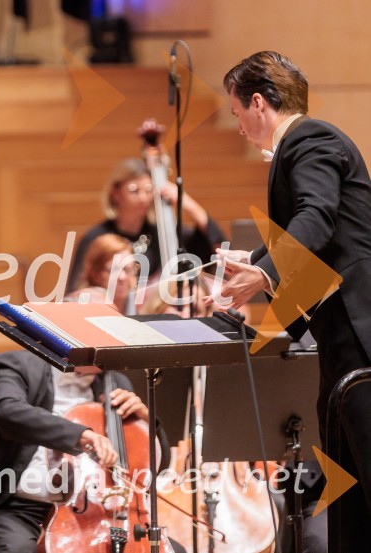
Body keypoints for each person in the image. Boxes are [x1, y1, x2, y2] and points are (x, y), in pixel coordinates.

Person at [214, 50, 371, 553]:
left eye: (237, 112)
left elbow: (316, 216)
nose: (238, 126)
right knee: (349, 497)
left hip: (360, 336)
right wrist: (256, 259)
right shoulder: (303, 145)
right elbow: (323, 238)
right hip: (341, 340)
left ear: (259, 102)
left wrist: (264, 272)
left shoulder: (310, 137)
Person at [0, 347, 180, 553]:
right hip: (17, 507)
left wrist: (145, 420)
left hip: (93, 510)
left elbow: (153, 465)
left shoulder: (115, 382)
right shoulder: (20, 364)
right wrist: (80, 435)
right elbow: (5, 409)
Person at [69, 158, 226, 289]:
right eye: (134, 190)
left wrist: (186, 202)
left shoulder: (162, 233)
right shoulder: (97, 237)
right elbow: (76, 288)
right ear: (115, 193)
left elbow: (215, 243)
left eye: (148, 190)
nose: (143, 198)